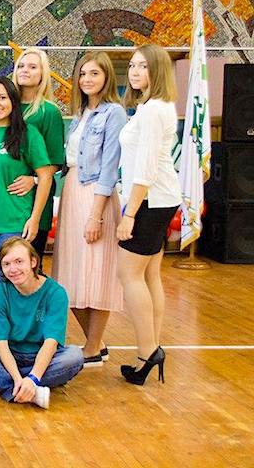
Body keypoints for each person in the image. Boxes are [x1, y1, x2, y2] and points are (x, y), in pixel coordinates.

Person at [52, 51, 127, 367]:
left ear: (107, 76)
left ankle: (93, 346)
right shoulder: (81, 114)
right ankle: (97, 342)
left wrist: (96, 215)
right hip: (72, 191)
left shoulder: (114, 113)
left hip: (96, 195)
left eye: (94, 73)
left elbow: (109, 168)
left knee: (96, 271)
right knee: (69, 273)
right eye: (82, 74)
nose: (87, 79)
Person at [0, 238, 84, 409]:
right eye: (6, 264)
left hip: (42, 357)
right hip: (7, 356)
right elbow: (1, 344)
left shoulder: (55, 293)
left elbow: (51, 343)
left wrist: (33, 378)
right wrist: (17, 379)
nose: (13, 269)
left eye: (19, 261)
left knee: (75, 356)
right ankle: (24, 391)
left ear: (33, 262)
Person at [115, 44, 179, 385]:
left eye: (143, 66)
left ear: (157, 71)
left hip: (150, 201)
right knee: (150, 274)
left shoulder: (154, 110)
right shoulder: (154, 106)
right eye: (133, 66)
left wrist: (130, 214)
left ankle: (148, 351)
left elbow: (146, 168)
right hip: (159, 198)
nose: (135, 72)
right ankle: (149, 349)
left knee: (129, 275)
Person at [0, 78, 55, 290]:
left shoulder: (27, 133)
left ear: (13, 100)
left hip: (14, 221)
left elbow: (45, 176)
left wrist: (34, 219)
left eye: (2, 97)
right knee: (5, 286)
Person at [13, 48, 66, 264]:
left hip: (35, 196)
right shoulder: (5, 106)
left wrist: (34, 180)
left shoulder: (49, 112)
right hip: (8, 197)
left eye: (33, 67)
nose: (25, 70)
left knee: (30, 263)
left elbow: (54, 160)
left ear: (43, 74)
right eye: (21, 66)